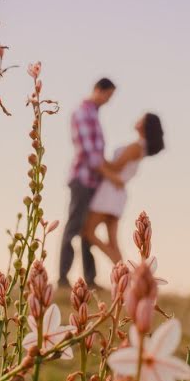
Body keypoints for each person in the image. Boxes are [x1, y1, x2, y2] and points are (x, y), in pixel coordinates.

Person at [58, 78, 117, 288]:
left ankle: (90, 279)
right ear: (98, 91)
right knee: (73, 227)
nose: (108, 101)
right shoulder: (83, 113)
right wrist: (110, 175)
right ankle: (63, 278)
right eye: (108, 96)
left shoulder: (93, 115)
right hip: (82, 179)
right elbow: (88, 153)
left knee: (87, 230)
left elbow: (98, 154)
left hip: (94, 182)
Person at [83, 113, 165, 265]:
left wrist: (96, 159)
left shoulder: (136, 146)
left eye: (141, 118)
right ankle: (126, 275)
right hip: (117, 192)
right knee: (113, 242)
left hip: (109, 192)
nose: (137, 119)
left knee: (88, 231)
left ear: (144, 126)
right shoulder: (141, 147)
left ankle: (125, 271)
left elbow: (115, 167)